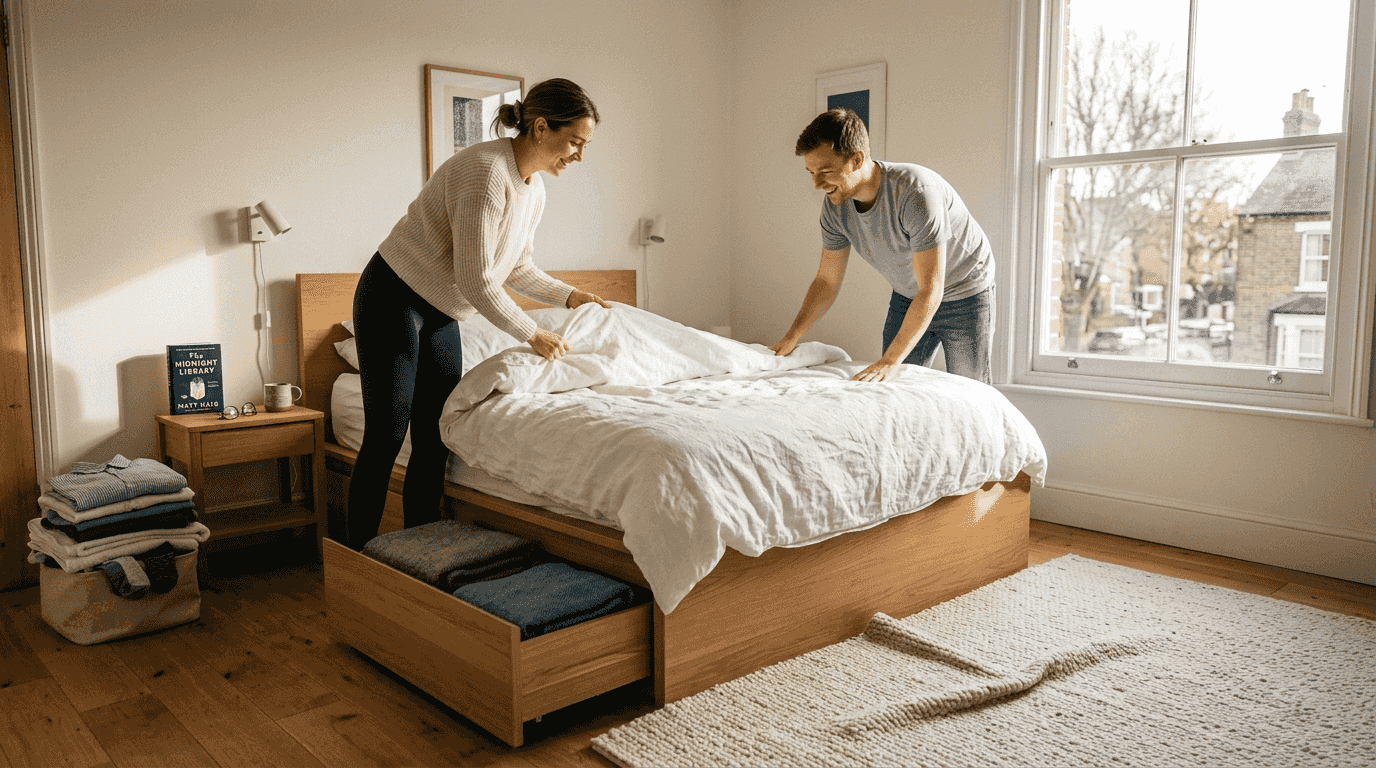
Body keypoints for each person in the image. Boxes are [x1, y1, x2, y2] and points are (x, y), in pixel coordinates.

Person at [347, 78, 609, 550]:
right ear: (543, 127)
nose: (578, 156)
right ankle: (355, 557)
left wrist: (571, 296)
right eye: (575, 142)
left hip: (443, 310)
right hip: (393, 296)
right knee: (387, 434)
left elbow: (519, 268)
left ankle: (418, 552)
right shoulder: (485, 172)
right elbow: (477, 278)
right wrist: (532, 333)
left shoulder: (534, 190)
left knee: (435, 438)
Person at [770, 108, 996, 384]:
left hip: (965, 293)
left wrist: (890, 360)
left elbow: (931, 288)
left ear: (857, 159)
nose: (817, 184)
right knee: (892, 385)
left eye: (826, 172)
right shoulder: (835, 209)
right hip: (908, 293)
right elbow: (827, 280)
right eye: (811, 172)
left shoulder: (915, 194)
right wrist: (792, 336)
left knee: (970, 389)